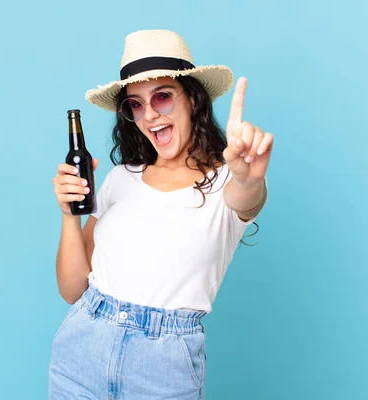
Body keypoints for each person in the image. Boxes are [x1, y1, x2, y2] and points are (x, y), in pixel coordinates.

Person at [49, 29, 273, 400]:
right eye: (135, 104)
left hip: (162, 370)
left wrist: (249, 177)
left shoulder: (226, 182)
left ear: (194, 101)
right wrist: (69, 214)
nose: (150, 114)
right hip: (81, 353)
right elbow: (72, 290)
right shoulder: (121, 179)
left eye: (163, 97)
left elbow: (248, 197)